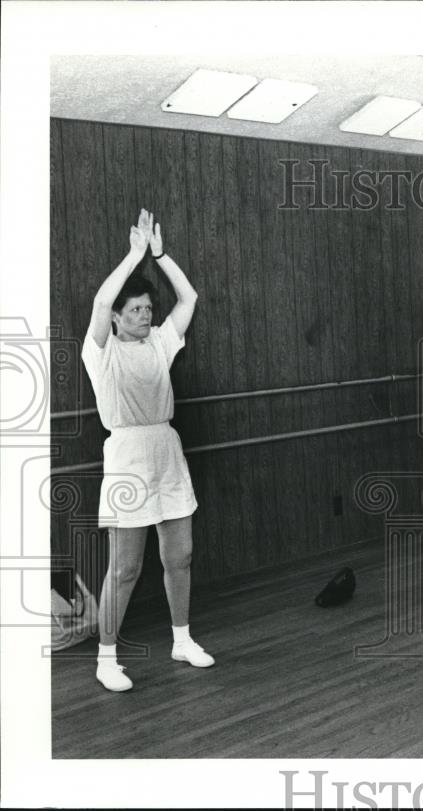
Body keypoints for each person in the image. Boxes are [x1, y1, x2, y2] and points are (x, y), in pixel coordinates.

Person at [82, 209, 213, 691]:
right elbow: (99, 302)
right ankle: (107, 658)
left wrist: (159, 254)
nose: (144, 315)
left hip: (166, 450)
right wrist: (134, 254)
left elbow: (189, 296)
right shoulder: (101, 352)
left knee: (180, 556)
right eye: (135, 309)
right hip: (127, 458)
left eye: (146, 309)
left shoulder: (161, 342)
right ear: (117, 316)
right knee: (126, 567)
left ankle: (182, 639)